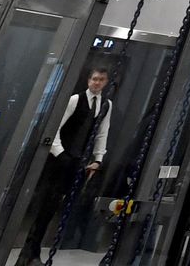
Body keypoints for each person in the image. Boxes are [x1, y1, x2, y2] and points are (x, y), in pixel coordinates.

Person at [20, 66, 116, 265]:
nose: (97, 83)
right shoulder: (75, 100)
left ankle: (35, 250)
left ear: (105, 82)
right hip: (62, 158)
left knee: (59, 205)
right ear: (89, 80)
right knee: (47, 203)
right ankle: (30, 250)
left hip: (79, 160)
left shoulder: (106, 105)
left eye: (101, 80)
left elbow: (102, 133)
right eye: (94, 79)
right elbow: (57, 126)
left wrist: (98, 158)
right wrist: (60, 153)